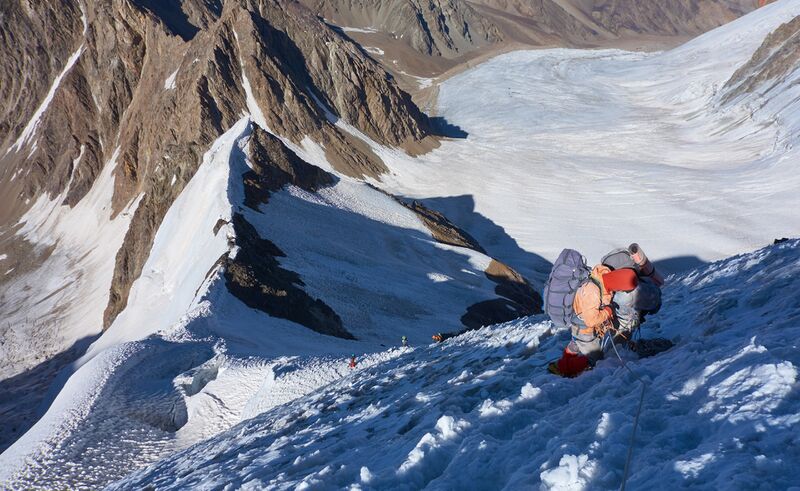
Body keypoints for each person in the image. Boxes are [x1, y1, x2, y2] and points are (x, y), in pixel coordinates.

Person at [551, 244, 663, 377]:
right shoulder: (592, 292)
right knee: (593, 359)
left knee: (578, 343)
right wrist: (609, 311)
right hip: (585, 329)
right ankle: (562, 368)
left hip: (583, 324)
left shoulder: (599, 276)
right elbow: (592, 320)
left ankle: (566, 360)